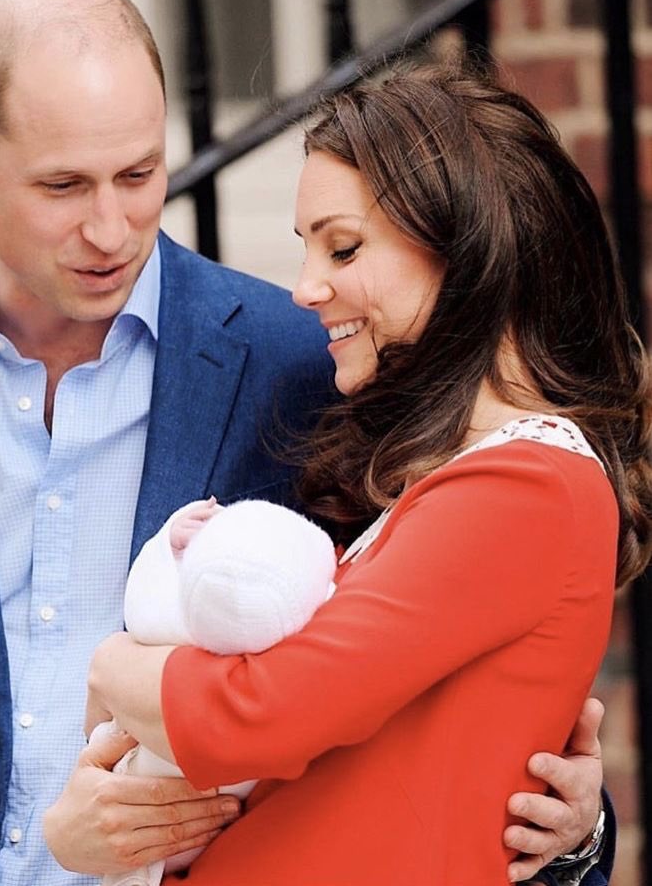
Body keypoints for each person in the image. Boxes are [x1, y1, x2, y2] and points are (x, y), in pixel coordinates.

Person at [0, 0, 611, 884]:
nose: (112, 228)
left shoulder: (315, 364)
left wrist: (572, 838)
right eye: (64, 185)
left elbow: (475, 694)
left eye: (139, 172)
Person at [53, 58, 651, 886]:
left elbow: (265, 709)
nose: (305, 289)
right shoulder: (464, 480)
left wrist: (111, 664)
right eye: (307, 250)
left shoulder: (530, 486)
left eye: (343, 246)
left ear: (464, 243)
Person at [93, 497, 336, 886]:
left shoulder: (173, 623)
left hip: (164, 805)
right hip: (158, 803)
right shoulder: (309, 623)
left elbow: (143, 608)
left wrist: (167, 542)